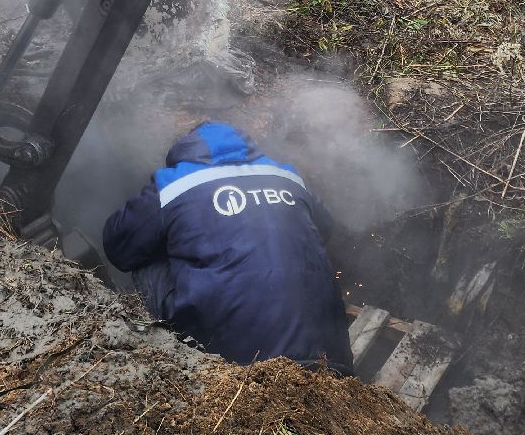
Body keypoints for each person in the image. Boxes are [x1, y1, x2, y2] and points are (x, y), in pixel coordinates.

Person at [102, 120, 354, 375]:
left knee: (143, 254)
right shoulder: (286, 175)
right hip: (333, 361)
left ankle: (188, 357)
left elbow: (118, 246)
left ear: (184, 148)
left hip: (236, 368)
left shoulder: (173, 183)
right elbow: (326, 228)